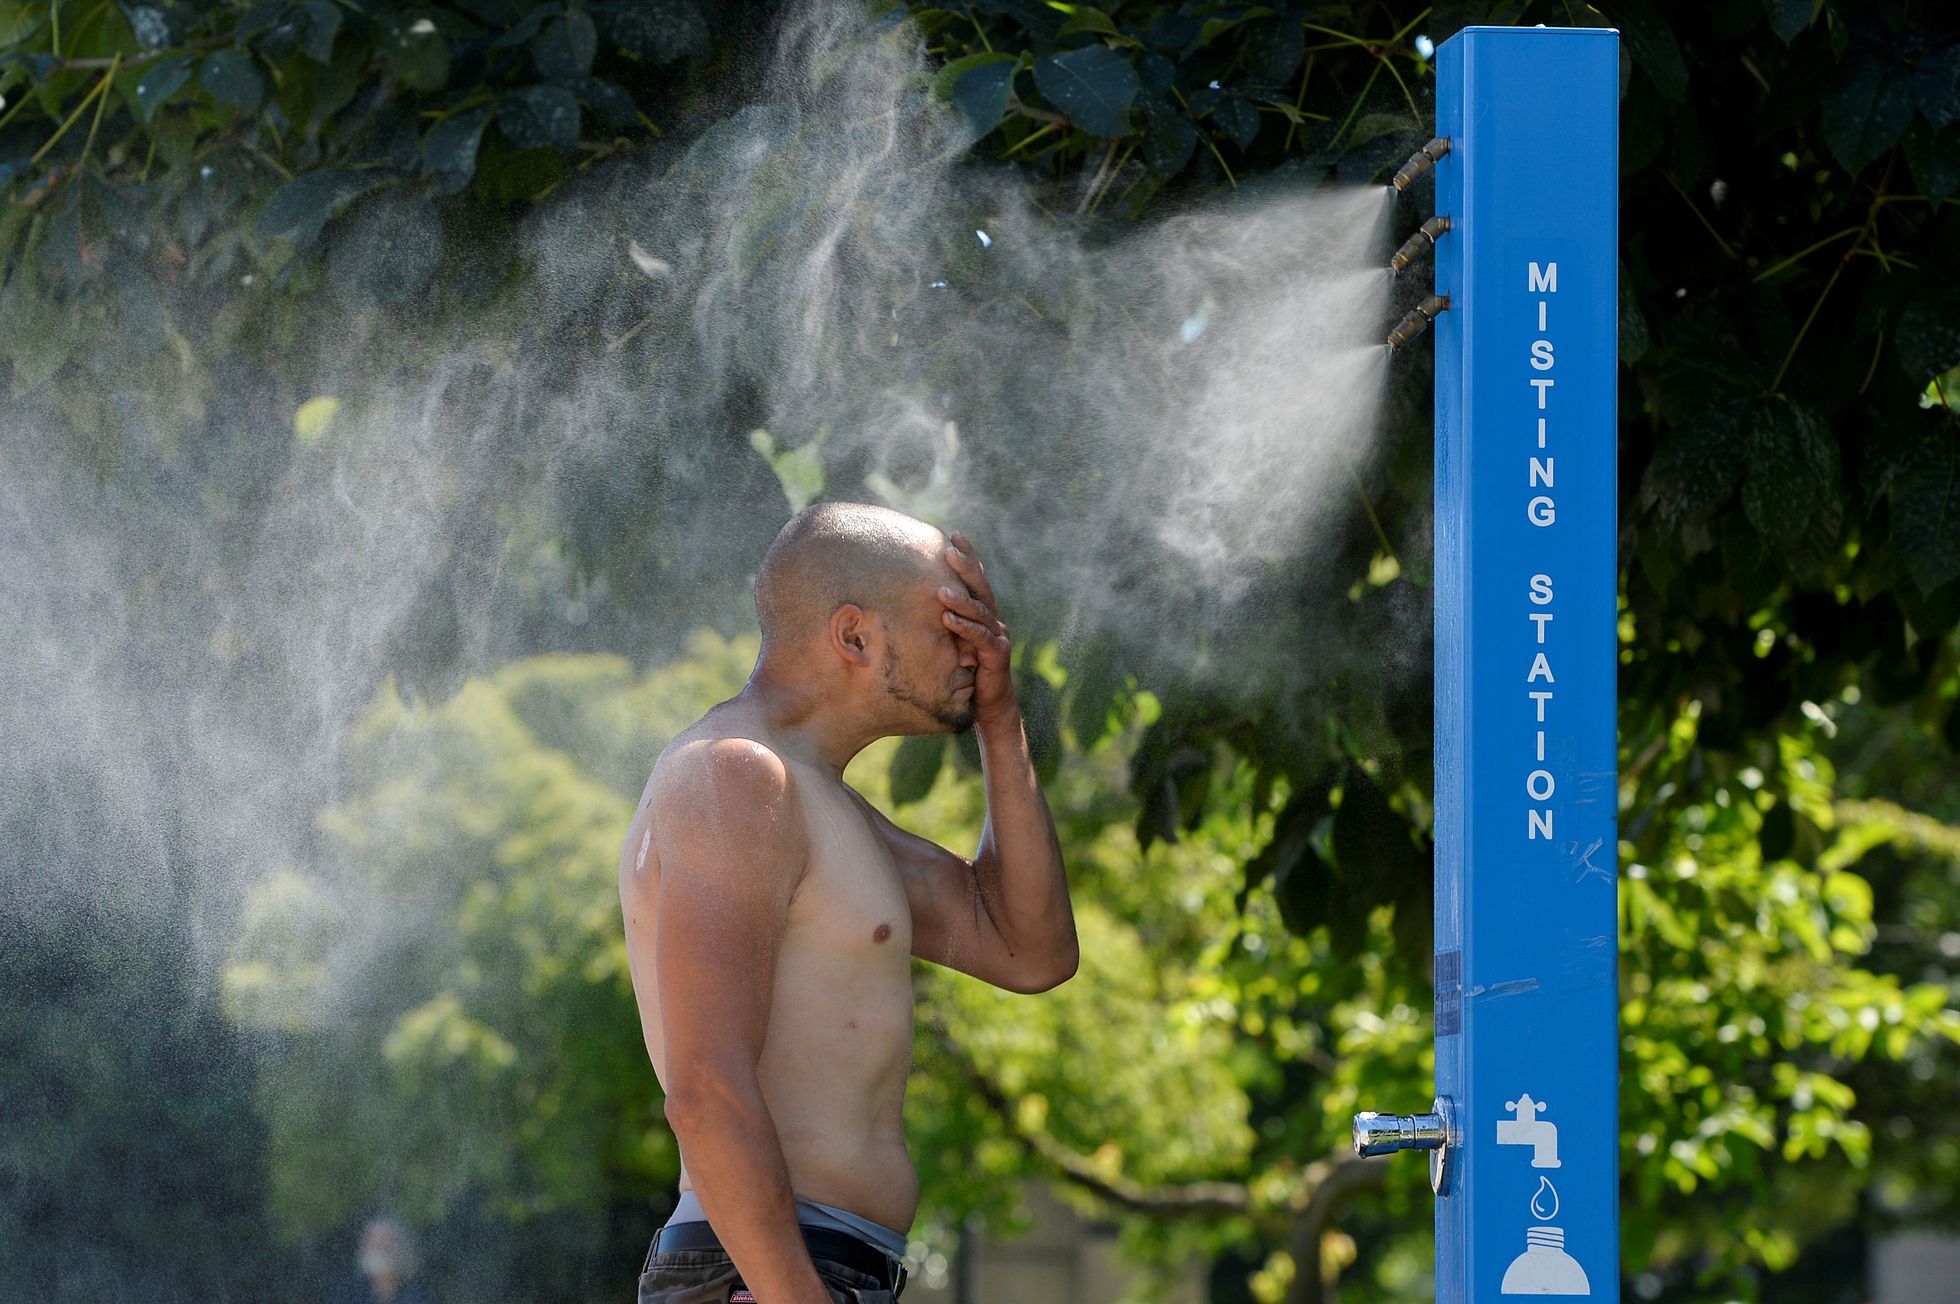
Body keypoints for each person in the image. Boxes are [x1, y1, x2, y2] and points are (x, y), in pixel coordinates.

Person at [618, 503, 1079, 1304]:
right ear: (855, 636)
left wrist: (1002, 721)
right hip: (766, 1272)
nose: (976, 649)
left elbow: (1029, 948)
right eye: (952, 623)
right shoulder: (736, 775)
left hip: (814, 1267)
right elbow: (704, 1088)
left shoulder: (819, 802)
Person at [327, 1216, 434, 1304]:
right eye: (373, 1243)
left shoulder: (418, 1297)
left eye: (385, 1243)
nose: (378, 1249)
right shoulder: (348, 1293)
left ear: (400, 1249)